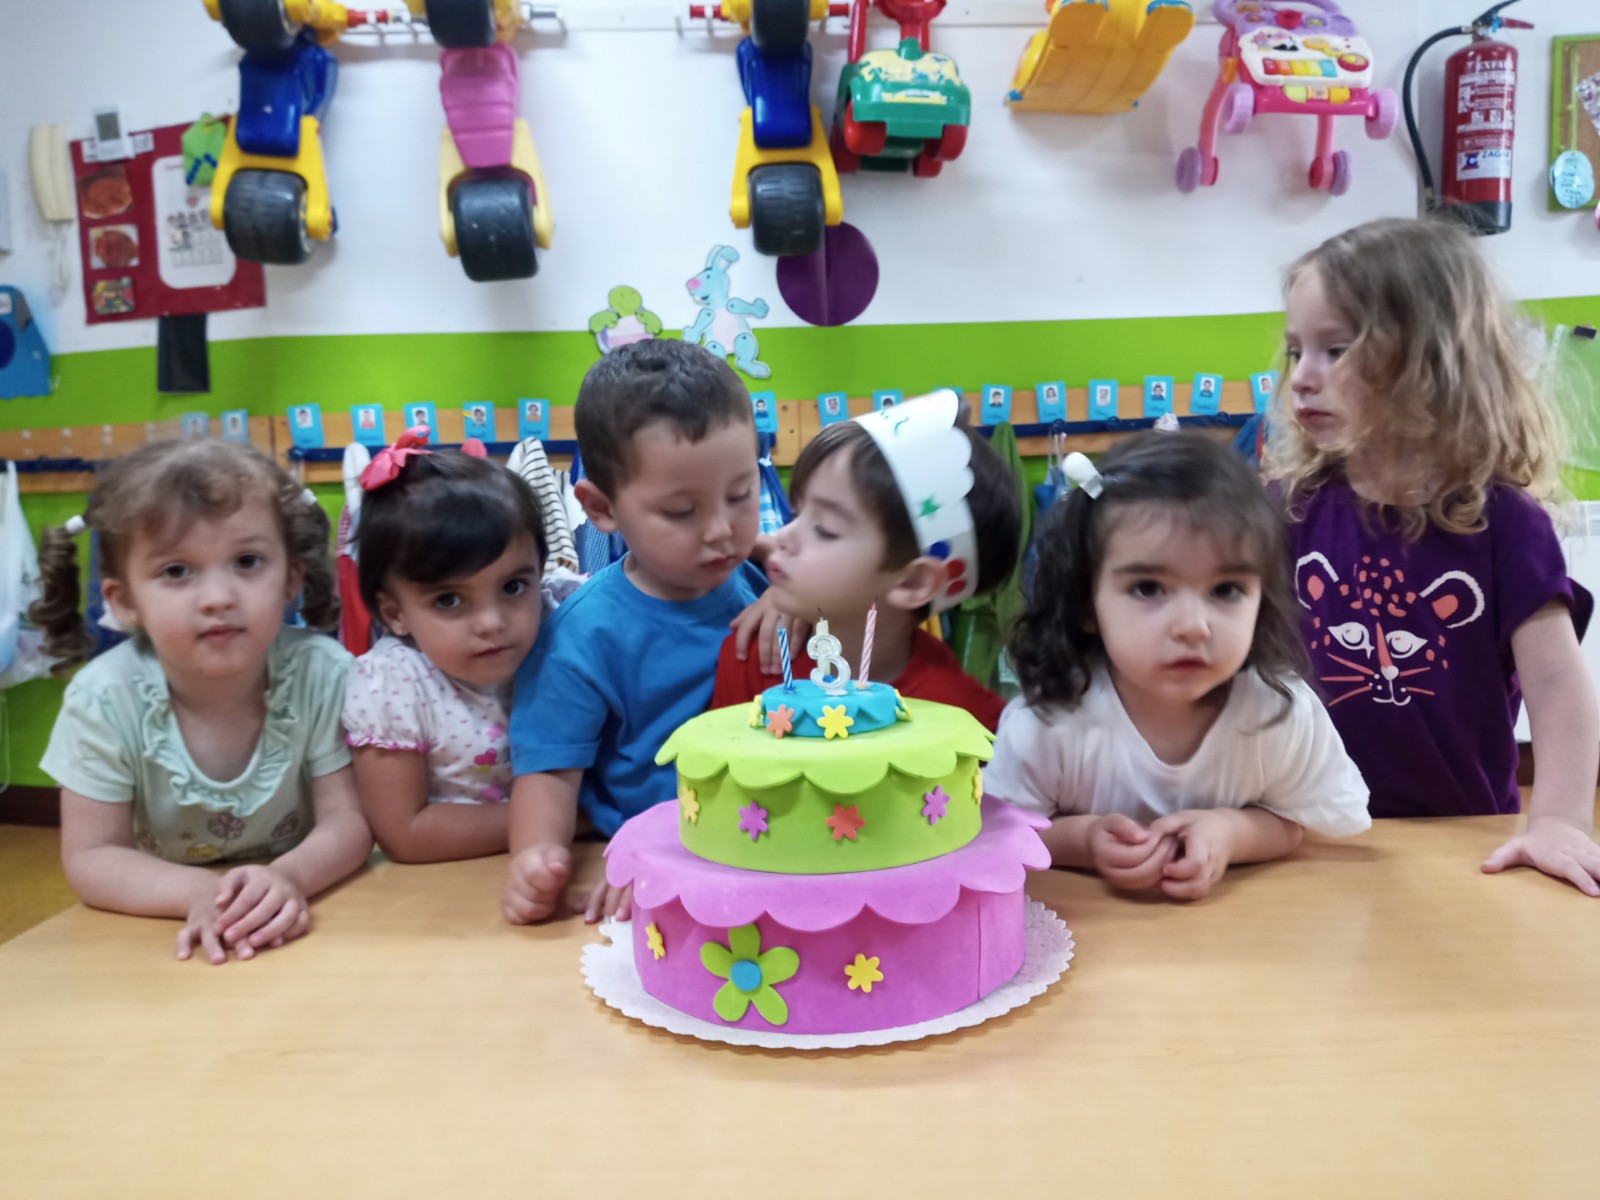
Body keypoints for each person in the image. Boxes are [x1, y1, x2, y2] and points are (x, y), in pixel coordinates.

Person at [1267, 216, 1600, 896]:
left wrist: (1560, 821)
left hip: (1461, 836)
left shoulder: (1506, 524)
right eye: (1296, 351)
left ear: (1430, 362)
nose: (1301, 378)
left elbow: (1558, 687)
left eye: (1335, 350)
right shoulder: (1288, 508)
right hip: (1306, 832)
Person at [985, 432, 1370, 901]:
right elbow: (1005, 834)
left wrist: (1229, 833)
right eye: (1148, 588)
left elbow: (1293, 822)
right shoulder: (1046, 724)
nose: (1193, 626)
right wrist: (1084, 841)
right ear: (1087, 603)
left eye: (1226, 590)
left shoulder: (1280, 713)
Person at [31, 440, 370, 963]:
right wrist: (199, 894)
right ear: (124, 602)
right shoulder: (103, 698)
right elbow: (92, 856)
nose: (218, 598)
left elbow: (348, 821)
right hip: (161, 931)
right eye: (176, 571)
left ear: (291, 578)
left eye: (247, 561)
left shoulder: (323, 674)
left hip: (306, 916)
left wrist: (286, 878)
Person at [503, 339, 766, 924]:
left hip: (766, 849)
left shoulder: (761, 580)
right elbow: (549, 774)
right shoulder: (582, 637)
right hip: (646, 871)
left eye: (740, 495)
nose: (721, 530)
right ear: (601, 509)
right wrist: (536, 858)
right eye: (681, 511)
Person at [711, 391, 1021, 731]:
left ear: (913, 582)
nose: (783, 535)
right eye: (798, 513)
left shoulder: (968, 721)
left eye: (824, 528)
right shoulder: (752, 658)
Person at [342, 429, 569, 864]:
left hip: (562, 867)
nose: (492, 622)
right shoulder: (392, 685)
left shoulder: (558, 628)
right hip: (439, 889)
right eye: (449, 600)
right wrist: (563, 818)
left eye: (513, 586)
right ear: (395, 613)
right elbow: (405, 833)